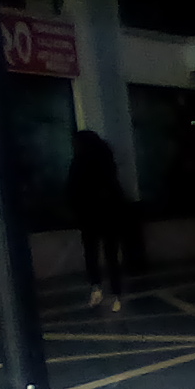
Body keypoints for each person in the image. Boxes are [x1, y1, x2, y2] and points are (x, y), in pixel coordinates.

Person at [68, 130, 128, 311]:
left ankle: (97, 288)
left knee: (92, 253)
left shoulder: (79, 163)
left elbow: (73, 188)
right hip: (108, 214)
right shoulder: (106, 160)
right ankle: (116, 294)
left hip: (89, 214)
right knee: (111, 255)